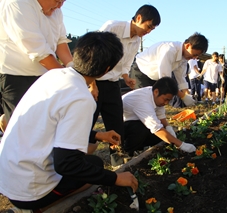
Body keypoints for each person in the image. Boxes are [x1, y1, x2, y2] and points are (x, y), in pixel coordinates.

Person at [0, 31, 138, 212]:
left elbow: (52, 126)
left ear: (76, 54)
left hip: (8, 178)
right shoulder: (81, 97)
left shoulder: (53, 76)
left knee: (89, 162)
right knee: (94, 165)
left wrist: (98, 135)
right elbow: (66, 164)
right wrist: (115, 178)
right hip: (29, 193)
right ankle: (37, 209)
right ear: (107, 70)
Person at [90, 5, 161, 146]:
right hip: (96, 81)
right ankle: (76, 154)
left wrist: (126, 77)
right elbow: (93, 56)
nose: (148, 31)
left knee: (116, 122)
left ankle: (117, 156)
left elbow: (126, 63)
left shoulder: (136, 40)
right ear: (139, 18)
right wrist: (92, 84)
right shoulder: (113, 27)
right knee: (88, 120)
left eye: (152, 29)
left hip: (113, 82)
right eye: (148, 27)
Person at [0, 0, 73, 133]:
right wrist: (71, 80)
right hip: (16, 76)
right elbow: (39, 52)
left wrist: (74, 69)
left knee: (44, 125)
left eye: (63, 1)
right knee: (23, 131)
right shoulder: (16, 3)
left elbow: (60, 42)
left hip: (44, 76)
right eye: (57, 0)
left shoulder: (56, 10)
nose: (60, 6)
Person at [122, 77, 196, 156]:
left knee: (161, 135)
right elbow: (156, 128)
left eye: (169, 100)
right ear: (156, 92)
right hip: (122, 127)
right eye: (165, 99)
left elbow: (160, 115)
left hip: (135, 121)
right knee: (143, 129)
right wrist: (181, 145)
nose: (166, 103)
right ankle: (126, 152)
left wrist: (168, 127)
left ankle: (139, 147)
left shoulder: (154, 94)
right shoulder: (143, 102)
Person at [130, 32, 209, 107]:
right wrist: (183, 96)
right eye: (194, 54)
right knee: (144, 102)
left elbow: (181, 77)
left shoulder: (184, 57)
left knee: (155, 104)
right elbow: (165, 79)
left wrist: (187, 94)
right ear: (188, 46)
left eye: (197, 56)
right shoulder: (169, 50)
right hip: (141, 71)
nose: (194, 58)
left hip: (155, 76)